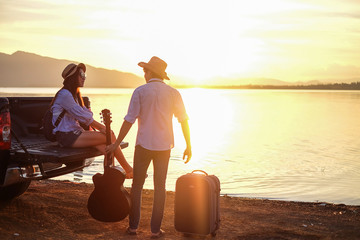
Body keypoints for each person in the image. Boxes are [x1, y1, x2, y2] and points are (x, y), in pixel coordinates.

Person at [106, 56, 191, 238]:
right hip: (164, 147)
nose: (143, 74)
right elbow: (184, 120)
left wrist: (115, 143)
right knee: (160, 187)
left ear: (150, 72)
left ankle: (133, 228)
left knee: (137, 186)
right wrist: (189, 145)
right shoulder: (173, 93)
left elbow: (129, 120)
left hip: (143, 145)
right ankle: (154, 230)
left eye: (145, 71)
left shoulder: (140, 91)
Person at [51, 62, 133, 178]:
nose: (84, 78)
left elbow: (86, 115)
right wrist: (103, 128)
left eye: (84, 75)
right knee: (110, 136)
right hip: (66, 136)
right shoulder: (65, 95)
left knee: (107, 149)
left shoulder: (74, 95)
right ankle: (128, 169)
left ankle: (110, 179)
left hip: (75, 133)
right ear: (73, 77)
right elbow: (85, 117)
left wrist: (98, 126)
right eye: (81, 75)